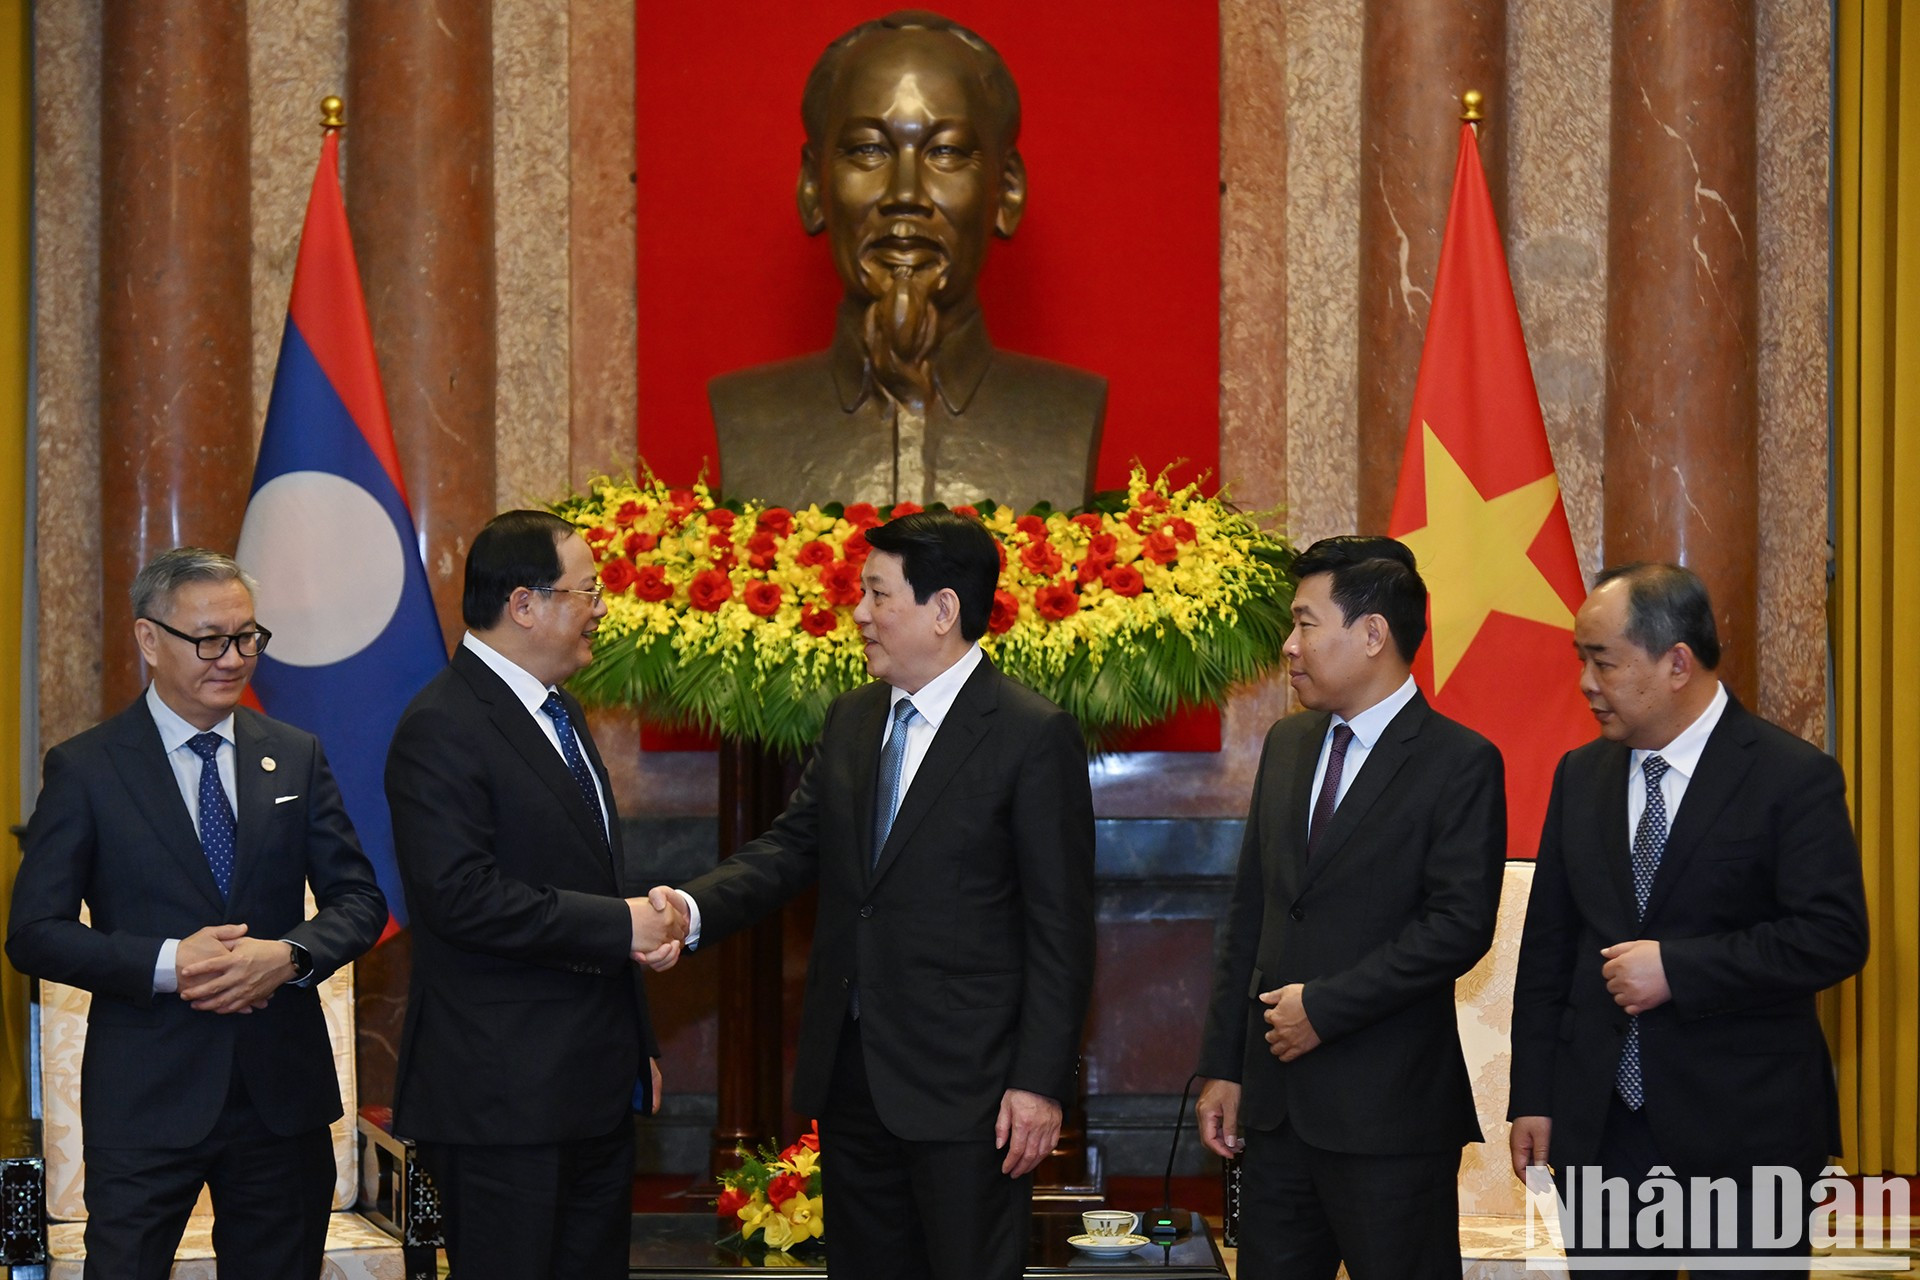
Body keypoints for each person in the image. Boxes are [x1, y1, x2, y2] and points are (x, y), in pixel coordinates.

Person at [650, 509, 1096, 1280]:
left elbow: (1061, 927)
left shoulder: (1030, 733)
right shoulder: (855, 720)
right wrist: (691, 911)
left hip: (973, 1089)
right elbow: (791, 847)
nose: (858, 614)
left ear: (944, 610)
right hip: (854, 1073)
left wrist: (1037, 1083)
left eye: (878, 595)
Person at [6, 547, 387, 1280]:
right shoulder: (87, 768)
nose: (233, 658)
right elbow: (34, 933)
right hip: (148, 1098)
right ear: (149, 639)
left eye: (248, 637)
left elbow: (359, 900)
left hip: (281, 1099)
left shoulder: (294, 754)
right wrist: (166, 963)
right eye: (210, 639)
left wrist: (290, 956)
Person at [1507, 563, 1870, 1275]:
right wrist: (1534, 1097)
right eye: (1580, 659)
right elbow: (1548, 951)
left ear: (1677, 662)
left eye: (1602, 660)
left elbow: (1832, 936)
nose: (1585, 681)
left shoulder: (1790, 777)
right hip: (1604, 1129)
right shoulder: (1580, 777)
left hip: (1746, 1130)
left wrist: (1679, 968)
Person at [1193, 535, 1507, 1279]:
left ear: (1373, 634)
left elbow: (1457, 926)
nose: (1288, 646)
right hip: (1275, 1114)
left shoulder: (1459, 762)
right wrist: (1224, 1066)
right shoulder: (1288, 743)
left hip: (1389, 1115)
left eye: (1305, 623)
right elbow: (1252, 914)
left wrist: (1325, 1009)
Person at [383, 510, 683, 1280]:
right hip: (501, 1098)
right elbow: (461, 899)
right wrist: (623, 926)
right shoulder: (441, 725)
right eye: (587, 590)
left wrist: (636, 1040)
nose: (601, 607)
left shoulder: (560, 710)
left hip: (592, 1085)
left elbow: (588, 876)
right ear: (524, 604)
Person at [710, 10, 1105, 512]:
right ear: (813, 188)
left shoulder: (1068, 413)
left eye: (946, 153)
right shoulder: (748, 415)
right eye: (868, 150)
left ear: (1006, 191)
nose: (905, 194)